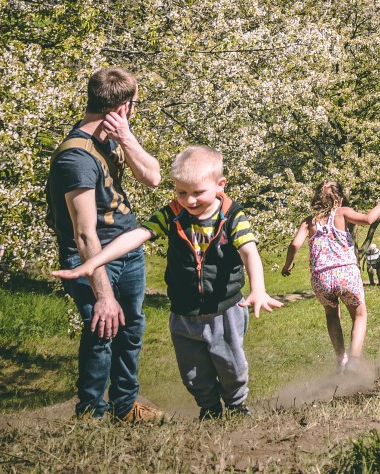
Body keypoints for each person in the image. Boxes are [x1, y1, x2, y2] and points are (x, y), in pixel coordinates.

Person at [55, 147, 281, 418]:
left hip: (225, 310)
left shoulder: (231, 217)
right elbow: (137, 235)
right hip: (184, 313)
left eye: (198, 192)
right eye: (182, 192)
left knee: (230, 366)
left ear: (220, 185)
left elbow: (249, 252)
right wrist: (95, 261)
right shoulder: (173, 214)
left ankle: (236, 406)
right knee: (193, 372)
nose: (190, 200)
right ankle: (209, 409)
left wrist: (258, 289)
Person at [44, 66, 163, 422]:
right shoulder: (76, 158)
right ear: (124, 106)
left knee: (131, 329)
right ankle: (91, 413)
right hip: (94, 258)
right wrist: (104, 295)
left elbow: (153, 178)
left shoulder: (113, 137)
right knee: (102, 329)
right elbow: (83, 234)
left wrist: (127, 138)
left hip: (127, 249)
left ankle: (125, 407)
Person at [281, 179, 380, 371]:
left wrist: (287, 266)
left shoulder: (308, 221)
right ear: (338, 198)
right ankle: (354, 362)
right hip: (345, 272)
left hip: (320, 277)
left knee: (332, 315)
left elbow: (294, 245)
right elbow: (368, 219)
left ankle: (341, 360)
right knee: (359, 315)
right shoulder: (342, 212)